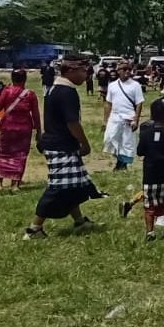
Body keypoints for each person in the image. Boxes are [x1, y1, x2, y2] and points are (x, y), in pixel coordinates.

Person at [23, 55, 98, 239]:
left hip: (58, 143)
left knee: (72, 185)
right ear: (71, 71)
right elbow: (72, 123)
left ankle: (79, 221)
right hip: (60, 145)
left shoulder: (56, 88)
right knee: (58, 187)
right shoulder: (66, 92)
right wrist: (85, 143)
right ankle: (34, 228)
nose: (86, 75)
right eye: (83, 71)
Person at [135, 98, 164, 240]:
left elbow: (140, 151)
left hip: (151, 173)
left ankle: (150, 232)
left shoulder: (145, 130)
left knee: (149, 203)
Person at [0, 69, 41, 190]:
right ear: (25, 79)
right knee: (20, 155)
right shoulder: (30, 94)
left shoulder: (7, 91)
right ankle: (15, 183)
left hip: (8, 127)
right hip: (24, 128)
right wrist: (39, 130)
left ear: (12, 78)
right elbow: (36, 114)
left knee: (3, 153)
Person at [101, 61, 145, 172]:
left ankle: (121, 165)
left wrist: (136, 119)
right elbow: (108, 103)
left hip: (128, 117)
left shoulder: (135, 85)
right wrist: (105, 120)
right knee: (110, 139)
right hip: (114, 117)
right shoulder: (112, 85)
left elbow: (139, 103)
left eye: (128, 69)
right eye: (124, 69)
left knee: (126, 142)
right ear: (118, 71)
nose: (127, 71)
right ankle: (119, 161)